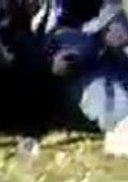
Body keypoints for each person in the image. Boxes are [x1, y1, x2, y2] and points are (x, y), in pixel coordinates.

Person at [33, 0, 128, 137]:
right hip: (61, 64)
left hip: (100, 47)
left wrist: (116, 25)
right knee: (102, 94)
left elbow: (110, 9)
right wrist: (49, 62)